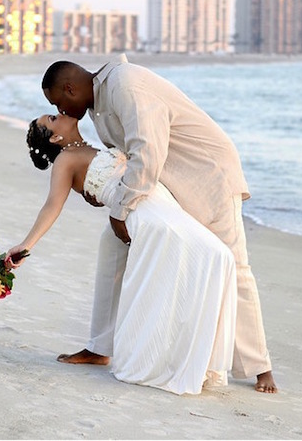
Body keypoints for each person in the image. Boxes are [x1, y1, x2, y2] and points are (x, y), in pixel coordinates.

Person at [41, 56, 278, 394]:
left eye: (57, 103)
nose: (61, 110)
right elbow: (124, 157)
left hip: (208, 177)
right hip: (165, 188)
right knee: (112, 247)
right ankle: (100, 347)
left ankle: (260, 368)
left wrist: (120, 208)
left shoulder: (126, 84)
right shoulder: (98, 106)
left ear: (69, 88)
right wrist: (101, 190)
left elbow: (148, 152)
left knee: (234, 265)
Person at [4, 114, 237, 396]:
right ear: (55, 138)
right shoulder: (66, 159)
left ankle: (192, 357)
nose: (61, 114)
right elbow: (52, 205)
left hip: (159, 202)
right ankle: (171, 357)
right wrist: (26, 245)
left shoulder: (89, 145)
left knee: (217, 256)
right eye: (53, 118)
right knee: (216, 255)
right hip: (146, 214)